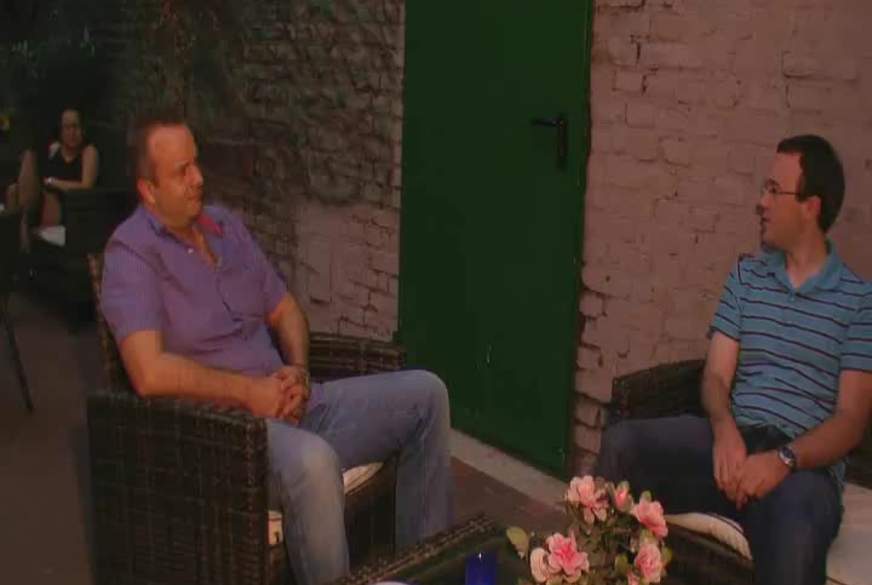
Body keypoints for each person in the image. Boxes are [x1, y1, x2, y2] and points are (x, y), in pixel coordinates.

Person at [99, 111, 452, 585]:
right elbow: (149, 373)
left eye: (196, 163)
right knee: (313, 462)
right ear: (148, 190)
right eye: (182, 172)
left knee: (427, 395)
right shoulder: (131, 253)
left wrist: (299, 371)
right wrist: (250, 394)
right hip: (229, 433)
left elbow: (285, 310)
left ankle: (426, 577)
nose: (199, 178)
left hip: (294, 402)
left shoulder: (225, 226)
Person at [596, 135, 872, 585]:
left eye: (773, 190)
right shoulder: (747, 277)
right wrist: (724, 430)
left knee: (797, 531)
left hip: (800, 469)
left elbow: (850, 421)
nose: (761, 202)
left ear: (810, 207)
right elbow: (716, 377)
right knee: (622, 445)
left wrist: (782, 460)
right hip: (730, 446)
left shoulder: (859, 302)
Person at [3, 107, 99, 229]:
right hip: (41, 199)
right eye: (67, 128)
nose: (72, 133)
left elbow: (86, 186)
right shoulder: (55, 149)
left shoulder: (89, 151)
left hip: (65, 205)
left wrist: (54, 182)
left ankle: (22, 231)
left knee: (30, 158)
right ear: (61, 131)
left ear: (83, 129)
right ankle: (14, 232)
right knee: (12, 190)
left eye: (75, 127)